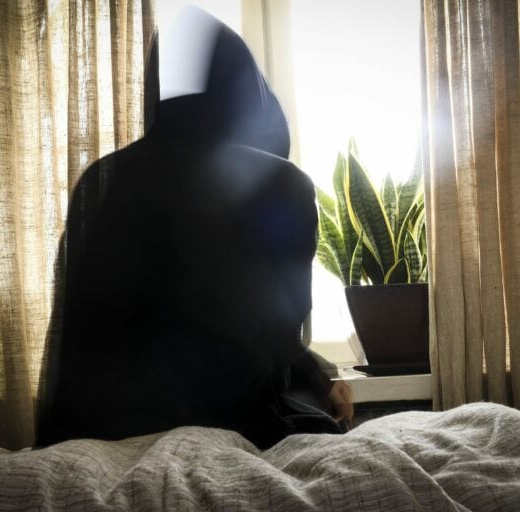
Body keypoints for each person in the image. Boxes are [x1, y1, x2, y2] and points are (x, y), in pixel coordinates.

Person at [36, 6, 352, 450]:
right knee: (321, 423)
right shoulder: (280, 185)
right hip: (236, 425)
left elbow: (84, 341)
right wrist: (319, 380)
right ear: (245, 88)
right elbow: (278, 335)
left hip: (101, 431)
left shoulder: (101, 180)